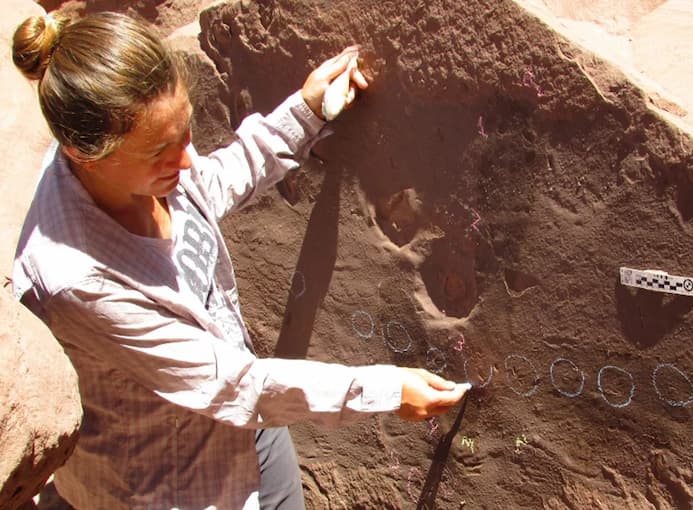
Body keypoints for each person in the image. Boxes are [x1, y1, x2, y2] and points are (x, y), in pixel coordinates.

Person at [10, 11, 468, 510]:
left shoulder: (124, 167)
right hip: (171, 481)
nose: (186, 160)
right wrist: (384, 390)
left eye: (185, 131)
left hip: (250, 423)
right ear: (84, 153)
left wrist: (304, 114)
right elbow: (230, 384)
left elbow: (205, 185)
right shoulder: (79, 281)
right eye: (162, 150)